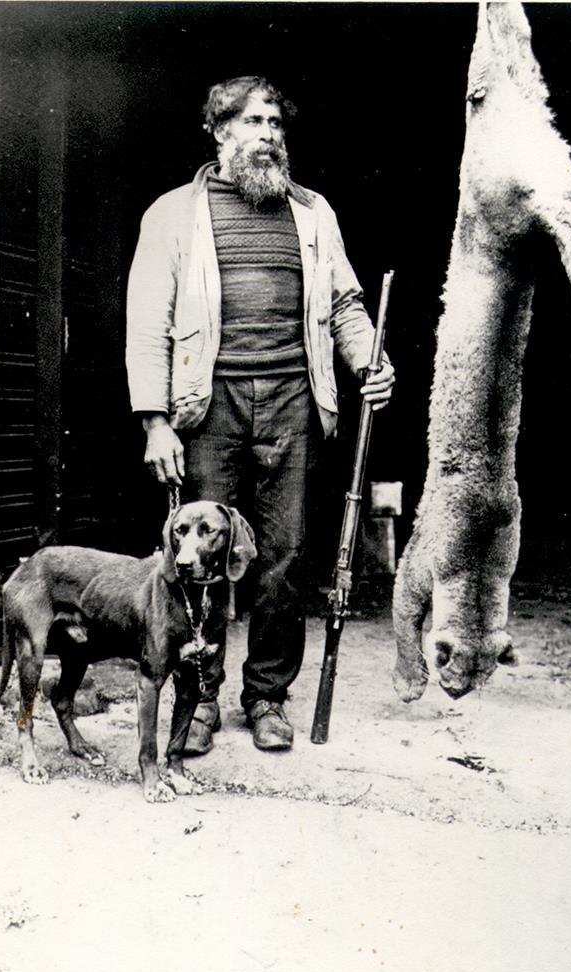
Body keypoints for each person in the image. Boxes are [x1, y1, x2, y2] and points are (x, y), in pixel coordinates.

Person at [126, 75, 394, 753]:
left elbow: (344, 307)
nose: (267, 134)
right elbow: (146, 324)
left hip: (292, 403)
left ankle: (267, 697)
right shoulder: (169, 215)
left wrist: (368, 361)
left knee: (282, 556)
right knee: (199, 559)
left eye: (275, 122)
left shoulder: (313, 213)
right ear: (219, 133)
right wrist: (155, 420)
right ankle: (202, 698)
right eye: (251, 121)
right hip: (205, 405)